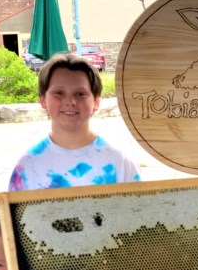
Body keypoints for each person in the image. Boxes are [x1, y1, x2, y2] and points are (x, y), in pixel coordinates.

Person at [8, 53, 141, 191]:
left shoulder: (122, 165)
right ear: (43, 100)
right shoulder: (26, 168)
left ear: (96, 102)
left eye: (80, 94)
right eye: (59, 93)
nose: (70, 102)